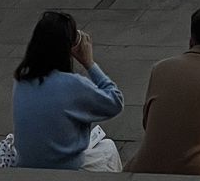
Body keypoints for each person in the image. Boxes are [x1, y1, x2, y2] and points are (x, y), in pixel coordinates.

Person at [124, 6, 200, 176]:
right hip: (197, 172)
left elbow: (146, 123)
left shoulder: (160, 68)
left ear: (191, 39)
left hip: (145, 168)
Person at [12, 10, 123, 172]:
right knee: (108, 148)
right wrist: (89, 63)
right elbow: (115, 101)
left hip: (26, 166)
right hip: (65, 168)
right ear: (67, 48)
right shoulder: (72, 85)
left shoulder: (21, 81)